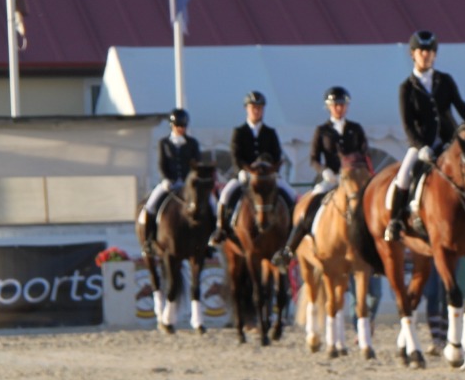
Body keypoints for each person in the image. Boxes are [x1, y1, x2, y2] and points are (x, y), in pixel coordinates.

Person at [387, 30, 465, 241]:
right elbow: (408, 124)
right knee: (403, 176)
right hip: (422, 144)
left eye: (430, 52)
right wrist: (420, 146)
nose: (426, 55)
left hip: (451, 140)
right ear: (413, 54)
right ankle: (394, 221)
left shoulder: (445, 80)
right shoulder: (407, 88)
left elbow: (460, 105)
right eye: (422, 51)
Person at [274, 86, 370, 268]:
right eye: (335, 105)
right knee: (310, 206)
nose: (339, 108)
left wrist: (358, 171)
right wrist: (325, 171)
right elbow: (313, 159)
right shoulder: (322, 130)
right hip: (331, 179)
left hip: (354, 179)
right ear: (329, 107)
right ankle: (289, 248)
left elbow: (364, 153)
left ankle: (376, 252)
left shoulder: (356, 129)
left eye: (342, 105)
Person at [209, 90, 293, 249]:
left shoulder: (270, 132)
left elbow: (276, 154)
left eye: (259, 108)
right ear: (247, 109)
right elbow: (235, 154)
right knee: (225, 195)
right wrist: (242, 169)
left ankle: (293, 229)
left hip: (267, 176)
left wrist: (272, 169)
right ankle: (221, 229)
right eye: (253, 107)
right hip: (246, 175)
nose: (256, 110)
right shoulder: (239, 132)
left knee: (290, 194)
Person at [140, 108, 204, 248]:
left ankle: (209, 240)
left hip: (189, 185)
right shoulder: (164, 143)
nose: (181, 129)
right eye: (178, 126)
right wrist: (167, 179)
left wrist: (191, 180)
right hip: (170, 183)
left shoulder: (192, 143)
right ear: (172, 126)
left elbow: (196, 164)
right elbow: (162, 164)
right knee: (150, 206)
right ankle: (149, 239)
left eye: (183, 126)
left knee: (210, 203)